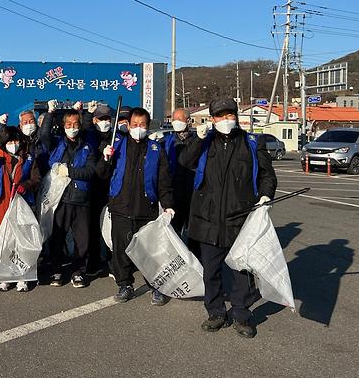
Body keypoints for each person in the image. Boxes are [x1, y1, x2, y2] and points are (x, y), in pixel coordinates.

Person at [179, 97, 277, 338]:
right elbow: (184, 162)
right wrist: (199, 139)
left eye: (229, 115)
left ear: (236, 116)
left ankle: (241, 315)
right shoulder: (204, 141)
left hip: (240, 219)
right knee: (210, 271)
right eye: (219, 116)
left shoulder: (252, 143)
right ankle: (215, 312)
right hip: (207, 218)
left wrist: (265, 196)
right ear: (212, 119)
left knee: (241, 271)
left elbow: (267, 175)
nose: (225, 120)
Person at [97, 107, 175, 304]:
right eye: (134, 125)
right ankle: (125, 285)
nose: (138, 128)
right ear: (128, 125)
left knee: (148, 251)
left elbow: (163, 181)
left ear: (148, 127)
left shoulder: (157, 149)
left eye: (142, 125)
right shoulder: (117, 144)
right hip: (120, 208)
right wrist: (105, 159)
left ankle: (155, 286)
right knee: (121, 250)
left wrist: (168, 205)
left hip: (146, 209)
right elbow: (101, 174)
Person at [39, 100, 98, 288]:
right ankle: (56, 270)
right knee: (57, 237)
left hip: (81, 200)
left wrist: (70, 172)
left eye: (75, 124)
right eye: (69, 125)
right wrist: (50, 113)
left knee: (83, 239)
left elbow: (90, 172)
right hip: (60, 199)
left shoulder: (88, 146)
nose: (72, 128)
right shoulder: (56, 143)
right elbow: (44, 135)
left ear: (80, 126)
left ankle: (78, 271)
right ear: (63, 126)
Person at [0, 125, 42, 292]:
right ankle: (4, 277)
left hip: (21, 207)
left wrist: (26, 185)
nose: (13, 144)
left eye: (16, 140)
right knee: (2, 243)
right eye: (9, 141)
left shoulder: (28, 158)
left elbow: (37, 179)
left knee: (21, 243)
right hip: (0, 206)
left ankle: (22, 277)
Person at [82, 102, 115, 278]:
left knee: (111, 229)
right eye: (101, 118)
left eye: (107, 118)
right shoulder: (91, 135)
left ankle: (112, 262)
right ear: (95, 120)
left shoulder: (114, 135)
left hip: (110, 188)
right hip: (93, 188)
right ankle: (93, 263)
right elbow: (86, 128)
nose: (105, 121)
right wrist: (87, 114)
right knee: (93, 228)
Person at [161, 108, 196, 240]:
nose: (176, 122)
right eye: (173, 120)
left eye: (179, 120)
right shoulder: (166, 142)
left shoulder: (197, 141)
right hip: (174, 194)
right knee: (173, 235)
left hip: (193, 194)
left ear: (188, 121)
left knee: (193, 235)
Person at [18, 109, 49, 176]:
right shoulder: (16, 139)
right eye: (25, 122)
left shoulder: (42, 137)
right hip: (21, 178)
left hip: (42, 176)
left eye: (31, 121)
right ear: (20, 124)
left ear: (35, 122)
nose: (28, 125)